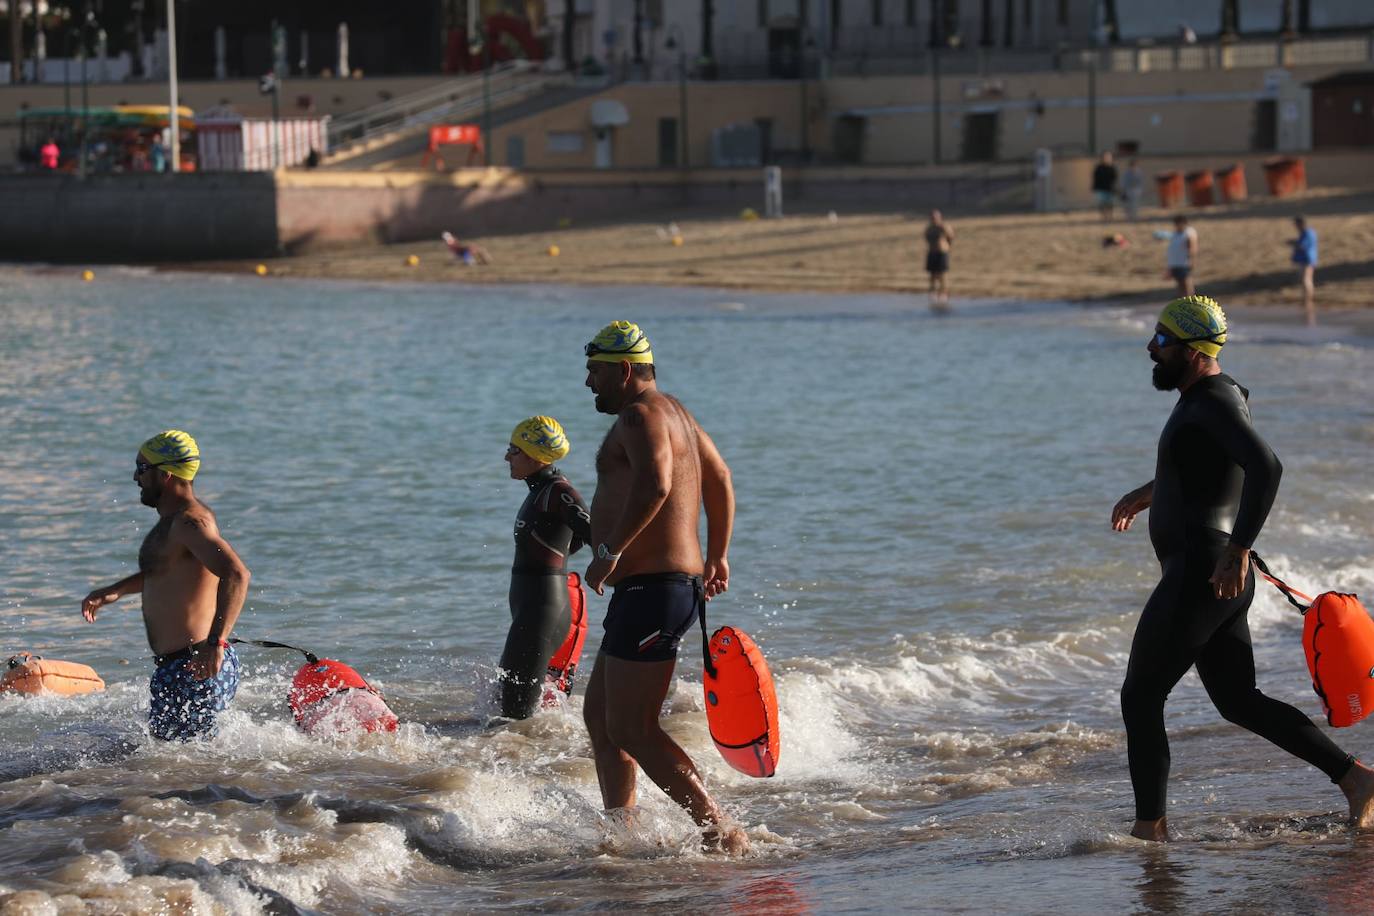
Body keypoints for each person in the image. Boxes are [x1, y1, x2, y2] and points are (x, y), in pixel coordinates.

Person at [1111, 296, 1374, 842]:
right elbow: (1208, 472)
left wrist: (1238, 551)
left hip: (1206, 572)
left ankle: (1149, 831)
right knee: (1238, 701)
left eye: (1161, 341)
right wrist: (1151, 493)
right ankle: (1357, 780)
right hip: (1215, 573)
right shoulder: (1209, 397)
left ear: (1192, 350)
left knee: (1140, 696)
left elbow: (1266, 467)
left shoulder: (1211, 400)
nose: (1150, 349)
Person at [580, 320, 749, 855]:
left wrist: (610, 552)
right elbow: (719, 477)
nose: (589, 383)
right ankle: (620, 834)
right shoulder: (676, 411)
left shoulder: (640, 414)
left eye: (596, 371)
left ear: (625, 370)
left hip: (655, 588)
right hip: (658, 589)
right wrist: (718, 552)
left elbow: (657, 482)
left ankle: (720, 830)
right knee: (601, 718)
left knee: (631, 725)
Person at [81, 430, 251, 741]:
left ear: (167, 474)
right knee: (179, 765)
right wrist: (114, 591)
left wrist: (216, 644)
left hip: (195, 665)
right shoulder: (173, 523)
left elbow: (237, 574)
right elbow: (167, 574)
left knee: (189, 772)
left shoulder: (191, 523)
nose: (135, 477)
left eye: (142, 469)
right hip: (182, 666)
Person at [500, 415, 591, 719]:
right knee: (511, 707)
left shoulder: (556, 491)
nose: (506, 457)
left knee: (512, 717)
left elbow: (595, 531)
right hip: (533, 609)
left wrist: (607, 568)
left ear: (534, 454)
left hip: (542, 611)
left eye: (513, 451)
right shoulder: (540, 491)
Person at [1289, 216, 1318, 327]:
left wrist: (1293, 243)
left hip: (1307, 259)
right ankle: (1306, 299)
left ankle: (1308, 299)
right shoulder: (1308, 232)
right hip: (1307, 259)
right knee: (1306, 279)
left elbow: (1303, 246)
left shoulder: (1307, 233)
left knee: (1306, 279)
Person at [923, 210, 954, 310]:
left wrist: (947, 246)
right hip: (932, 252)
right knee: (932, 274)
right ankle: (932, 293)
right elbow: (926, 237)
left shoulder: (944, 227)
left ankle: (943, 294)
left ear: (940, 217)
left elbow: (951, 237)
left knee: (942, 274)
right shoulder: (929, 228)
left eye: (935, 217)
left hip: (942, 252)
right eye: (932, 217)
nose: (934, 219)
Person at [1165, 214, 1197, 297]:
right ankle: (1182, 300)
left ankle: (1190, 299)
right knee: (1179, 283)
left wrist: (1191, 260)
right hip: (1175, 263)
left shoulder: (1188, 232)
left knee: (1186, 281)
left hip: (1184, 262)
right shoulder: (1175, 233)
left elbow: (1192, 246)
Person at [1092, 151, 1118, 221]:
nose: (1107, 159)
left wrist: (1115, 188)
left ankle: (1110, 216)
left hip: (1110, 189)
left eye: (1108, 157)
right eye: (1105, 157)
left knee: (1110, 204)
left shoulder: (1112, 168)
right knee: (1102, 204)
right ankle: (1103, 216)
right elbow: (1095, 178)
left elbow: (1115, 179)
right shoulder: (1098, 168)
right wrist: (1095, 188)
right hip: (1101, 189)